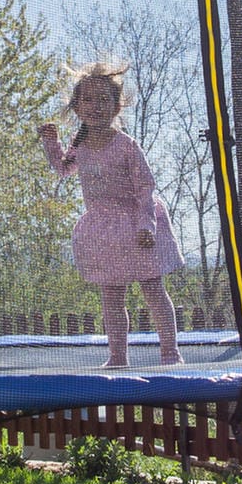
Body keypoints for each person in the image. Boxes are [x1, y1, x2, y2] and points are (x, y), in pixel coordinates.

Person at [38, 62, 186, 367]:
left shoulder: (127, 146)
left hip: (136, 225)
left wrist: (147, 225)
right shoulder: (79, 145)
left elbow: (145, 187)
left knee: (153, 288)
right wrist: (50, 142)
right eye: (88, 100)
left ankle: (170, 351)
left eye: (104, 99)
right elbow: (63, 169)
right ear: (77, 107)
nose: (96, 106)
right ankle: (118, 355)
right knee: (111, 295)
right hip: (103, 231)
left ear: (117, 107)